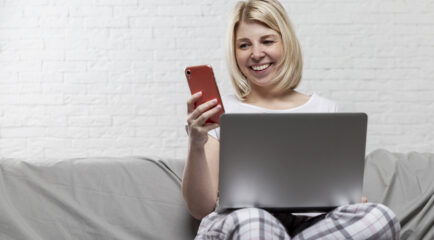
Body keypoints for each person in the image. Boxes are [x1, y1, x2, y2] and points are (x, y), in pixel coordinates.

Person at [182, 0, 401, 239]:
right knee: (256, 221)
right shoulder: (221, 111)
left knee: (380, 217)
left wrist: (347, 200)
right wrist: (196, 143)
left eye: (267, 41)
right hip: (241, 222)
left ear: (286, 43)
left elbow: (337, 193)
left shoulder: (325, 109)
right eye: (244, 45)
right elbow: (199, 208)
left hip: (312, 225)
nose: (256, 53)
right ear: (234, 54)